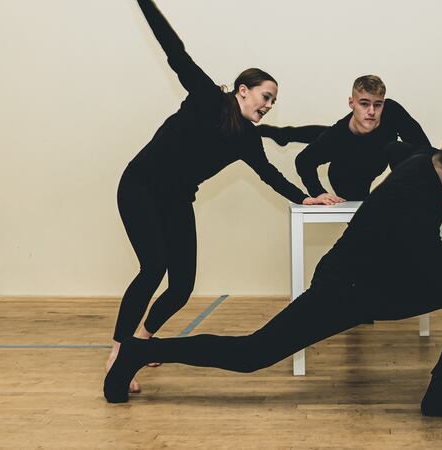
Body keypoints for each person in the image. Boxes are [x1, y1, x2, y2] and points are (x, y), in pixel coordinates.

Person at [105, 124, 442, 425]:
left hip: (385, 283)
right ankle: (138, 351)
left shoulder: (420, 158)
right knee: (252, 354)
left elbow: (391, 145)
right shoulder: (412, 205)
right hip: (344, 290)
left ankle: (439, 395)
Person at [109, 0, 331, 394]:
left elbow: (269, 175)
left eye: (273, 101)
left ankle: (141, 341)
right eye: (266, 96)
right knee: (153, 268)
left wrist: (304, 198)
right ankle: (117, 353)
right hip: (140, 186)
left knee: (181, 287)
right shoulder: (208, 98)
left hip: (176, 198)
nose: (269, 105)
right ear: (243, 91)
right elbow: (175, 51)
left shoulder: (247, 139)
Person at [259, 75, 432, 201]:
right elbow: (304, 161)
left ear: (383, 104)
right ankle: (284, 134)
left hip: (375, 156)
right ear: (351, 103)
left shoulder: (392, 112)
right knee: (334, 138)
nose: (372, 111)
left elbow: (423, 147)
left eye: (377, 105)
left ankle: (284, 134)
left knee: (398, 149)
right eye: (364, 104)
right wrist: (318, 193)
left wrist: (436, 186)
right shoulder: (337, 137)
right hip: (349, 172)